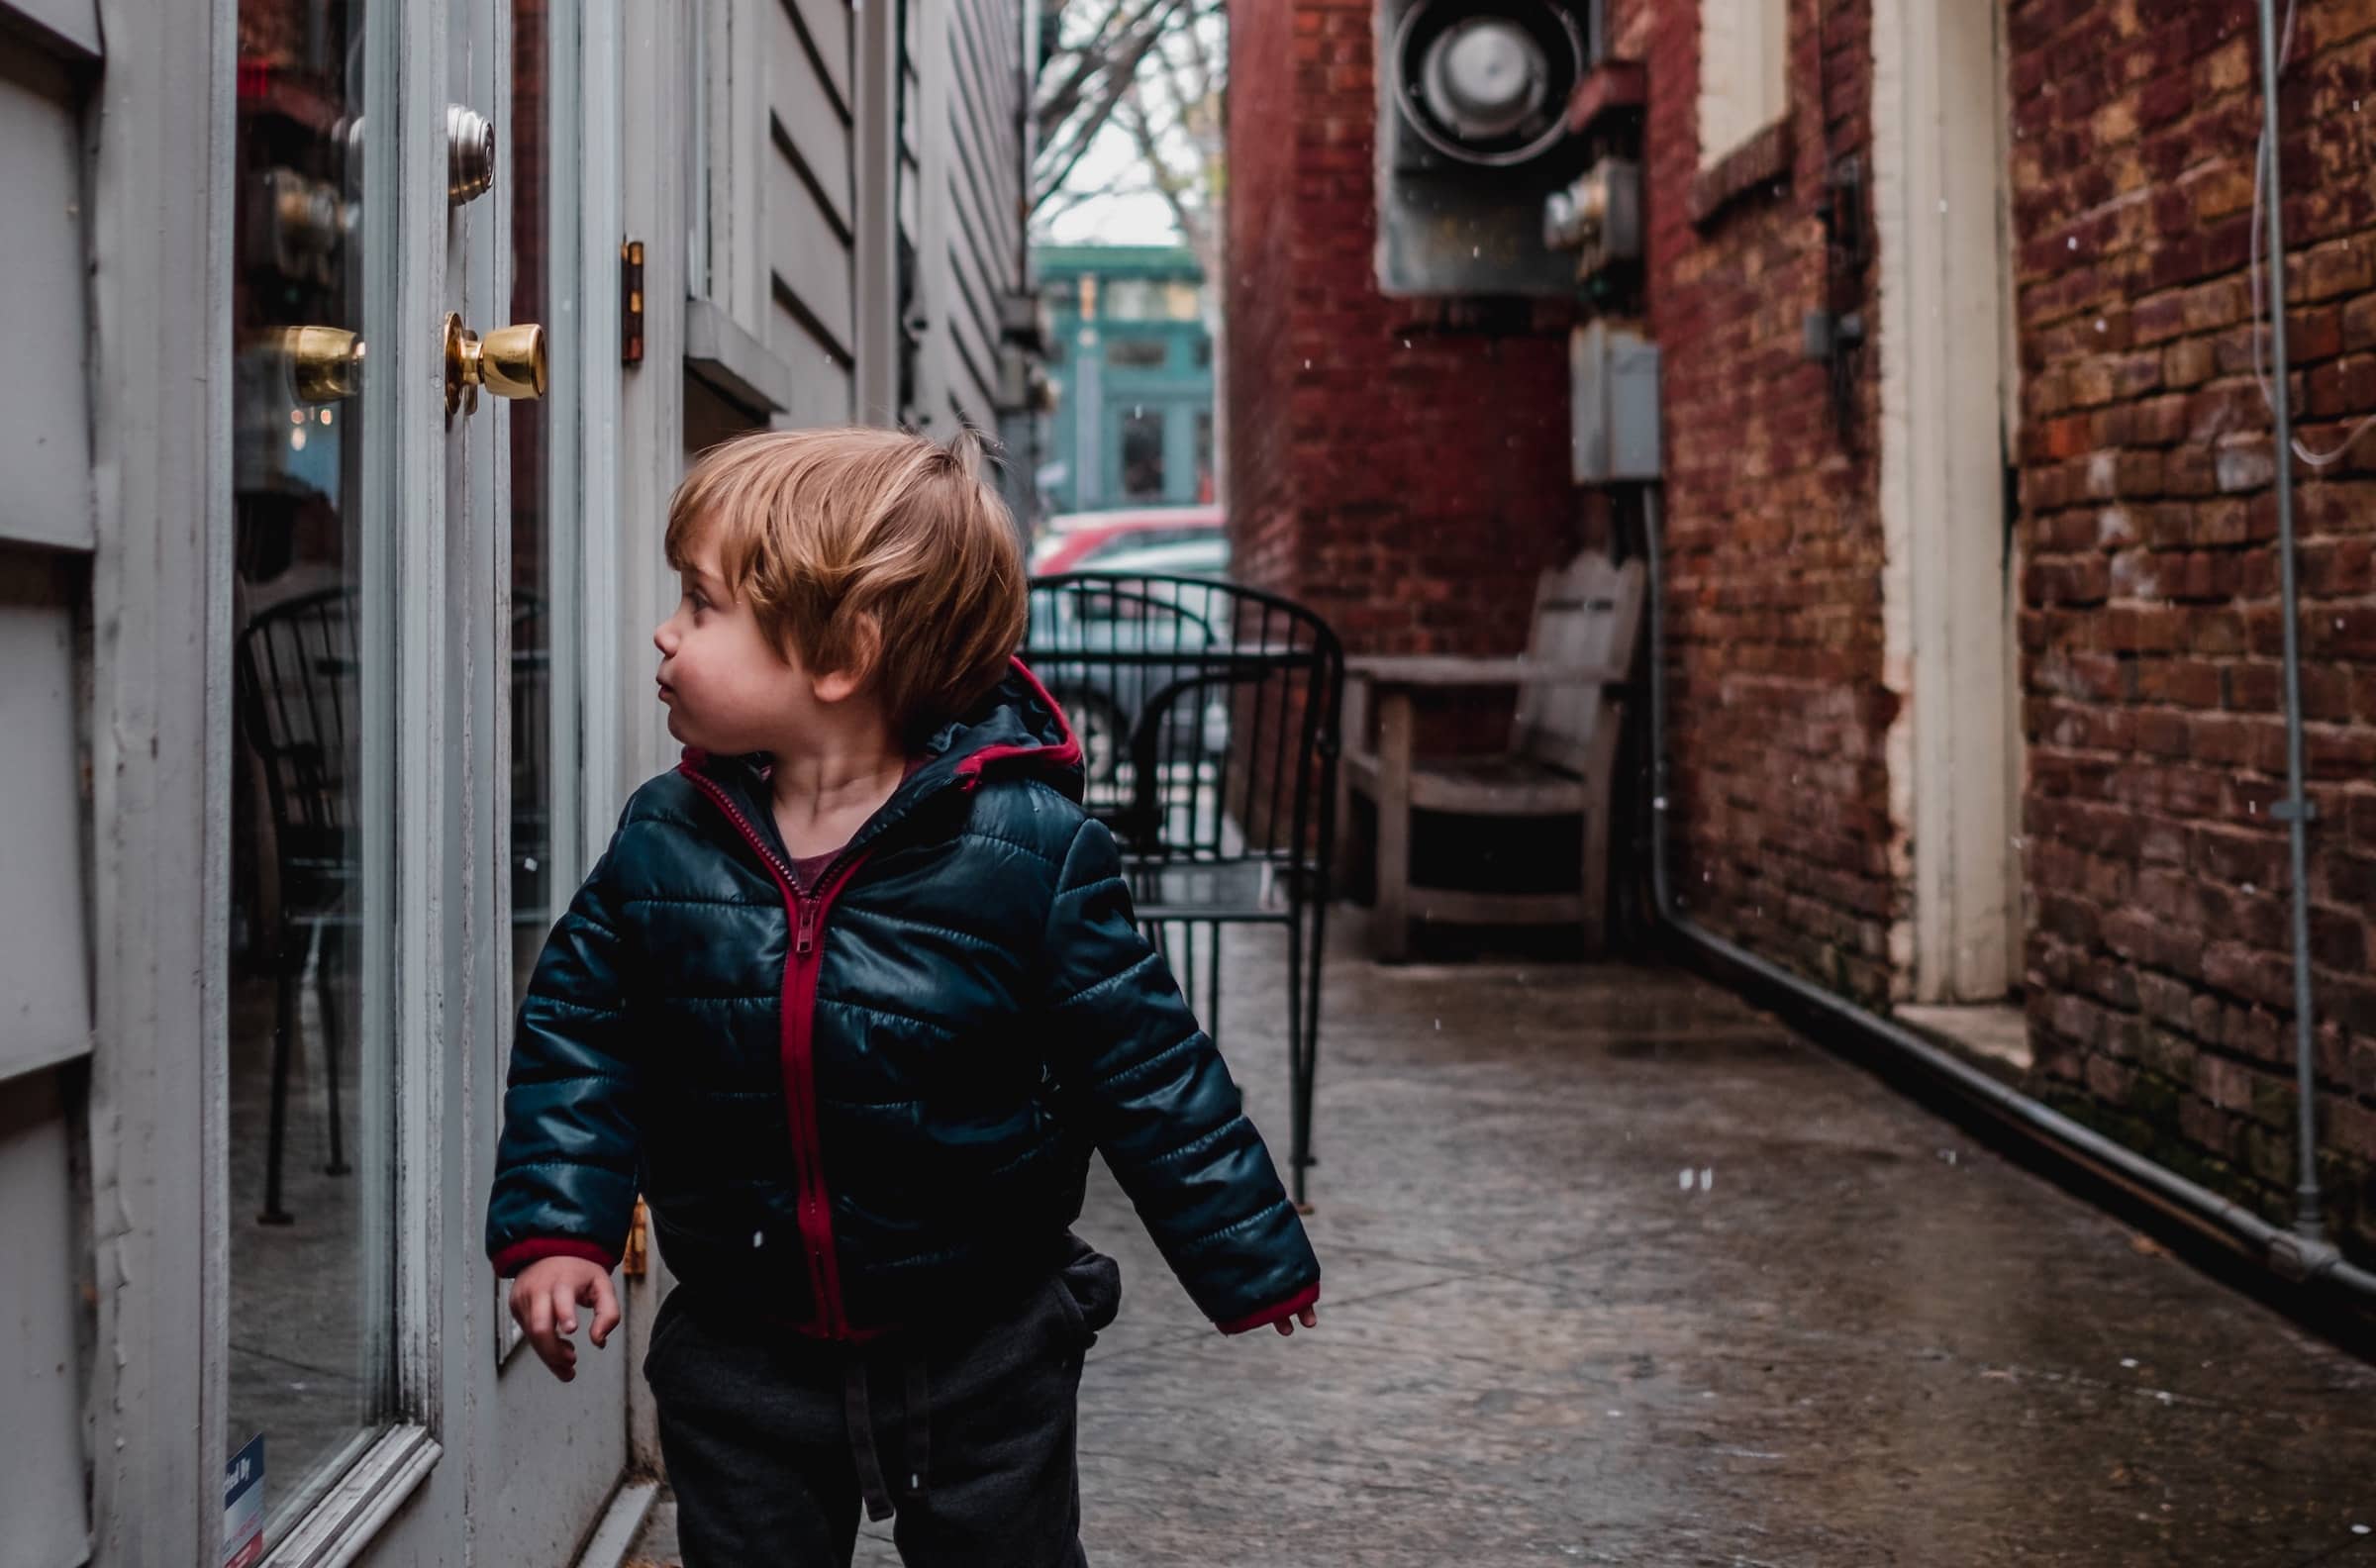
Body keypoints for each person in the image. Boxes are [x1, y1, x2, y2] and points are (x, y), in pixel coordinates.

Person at [485, 425, 1320, 1566]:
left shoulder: (1031, 852)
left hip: (983, 1337)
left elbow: (1148, 1068)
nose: (665, 632)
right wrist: (558, 1224)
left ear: (841, 656)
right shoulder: (666, 838)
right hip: (744, 1338)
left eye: (703, 602)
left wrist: (1249, 1254)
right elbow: (583, 1032)